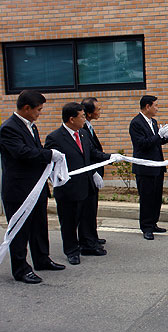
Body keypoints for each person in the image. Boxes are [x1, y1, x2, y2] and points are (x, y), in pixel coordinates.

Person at [0, 90, 65, 284]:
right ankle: (20, 269)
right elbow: (23, 153)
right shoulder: (9, 128)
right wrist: (49, 155)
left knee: (39, 225)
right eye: (38, 109)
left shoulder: (31, 127)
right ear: (26, 108)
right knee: (20, 230)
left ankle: (42, 259)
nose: (40, 113)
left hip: (36, 187)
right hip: (19, 190)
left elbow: (35, 150)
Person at [45, 102, 112, 265]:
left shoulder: (82, 134)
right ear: (71, 119)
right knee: (69, 221)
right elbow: (51, 165)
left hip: (87, 184)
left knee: (87, 217)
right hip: (69, 188)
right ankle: (71, 251)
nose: (84, 119)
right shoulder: (55, 138)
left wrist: (111, 157)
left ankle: (88, 245)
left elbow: (92, 153)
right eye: (82, 116)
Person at [130, 95, 168, 240]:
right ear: (147, 106)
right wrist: (158, 136)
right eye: (155, 105)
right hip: (144, 167)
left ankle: (154, 223)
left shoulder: (153, 122)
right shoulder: (136, 123)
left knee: (156, 197)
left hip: (157, 165)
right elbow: (142, 144)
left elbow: (156, 142)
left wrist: (166, 136)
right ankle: (146, 227)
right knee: (147, 197)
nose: (157, 108)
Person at [81, 97, 106, 246]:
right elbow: (88, 153)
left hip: (94, 172)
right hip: (88, 174)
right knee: (87, 209)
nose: (99, 112)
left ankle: (93, 236)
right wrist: (93, 172)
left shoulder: (89, 127)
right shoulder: (82, 129)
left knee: (93, 207)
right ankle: (87, 239)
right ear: (89, 113)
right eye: (97, 109)